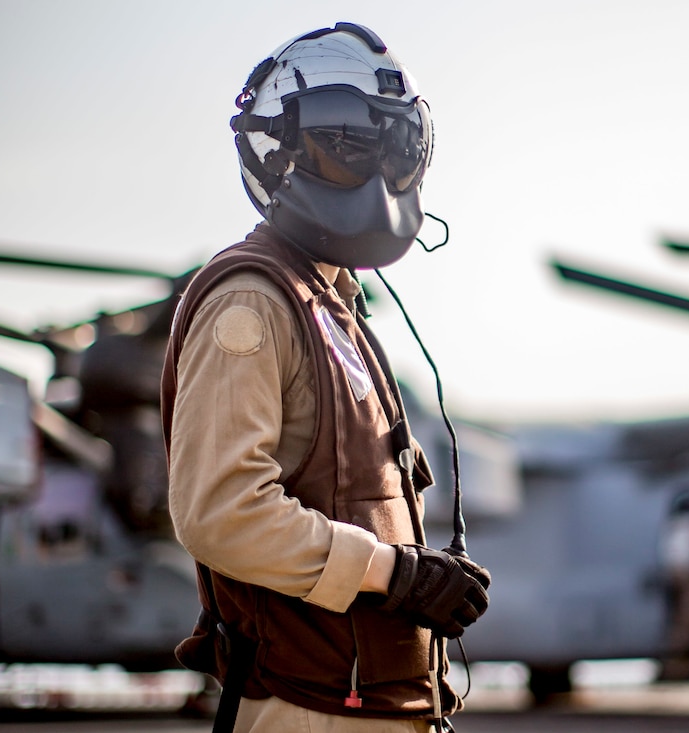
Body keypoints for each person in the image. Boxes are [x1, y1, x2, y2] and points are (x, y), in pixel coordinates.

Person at [161, 23, 490, 733]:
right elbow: (221, 510)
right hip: (309, 708)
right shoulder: (251, 303)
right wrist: (394, 574)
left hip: (371, 704)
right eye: (342, 142)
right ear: (280, 151)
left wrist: (411, 569)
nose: (372, 169)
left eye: (392, 144)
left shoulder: (329, 304)